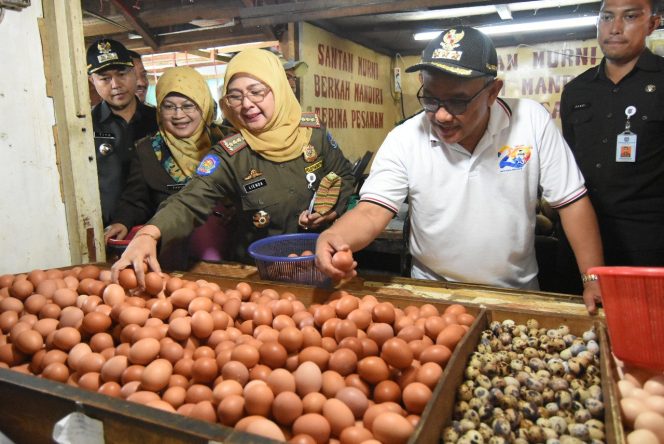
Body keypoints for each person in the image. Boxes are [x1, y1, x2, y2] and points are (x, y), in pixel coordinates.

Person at [315, 26, 605, 313]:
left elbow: (572, 202)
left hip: (514, 295)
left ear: (493, 92)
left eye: (458, 101)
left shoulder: (530, 122)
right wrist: (334, 237)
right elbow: (371, 211)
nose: (441, 115)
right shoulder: (405, 137)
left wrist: (593, 278)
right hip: (431, 295)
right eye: (430, 98)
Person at [111, 48, 354, 285]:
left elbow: (343, 176)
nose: (246, 104)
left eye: (256, 92)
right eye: (235, 96)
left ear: (279, 89)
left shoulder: (314, 135)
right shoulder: (231, 154)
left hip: (320, 264)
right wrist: (148, 234)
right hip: (259, 276)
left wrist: (332, 208)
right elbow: (189, 200)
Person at [560, 0, 664, 266]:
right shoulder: (576, 91)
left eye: (629, 17)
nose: (615, 28)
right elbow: (569, 166)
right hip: (582, 239)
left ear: (653, 23)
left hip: (649, 242)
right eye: (606, 17)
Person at [103, 66, 226, 269]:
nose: (178, 115)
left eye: (188, 106)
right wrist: (122, 222)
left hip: (228, 251)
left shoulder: (226, 142)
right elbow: (136, 200)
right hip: (173, 253)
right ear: (159, 110)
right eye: (169, 106)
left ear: (203, 106)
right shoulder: (147, 150)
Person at [88, 38, 158, 226]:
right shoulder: (86, 127)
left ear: (134, 73)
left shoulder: (159, 121)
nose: (116, 84)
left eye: (121, 74)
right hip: (108, 232)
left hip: (158, 227)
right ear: (92, 80)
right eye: (105, 78)